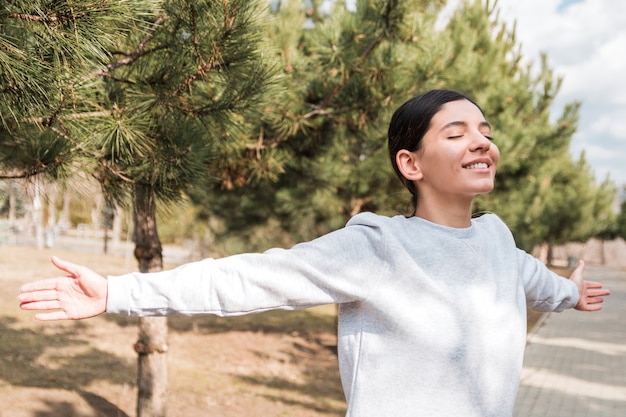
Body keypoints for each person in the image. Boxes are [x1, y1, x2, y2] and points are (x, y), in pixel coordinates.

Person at [18, 89, 610, 417]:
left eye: (484, 130)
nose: (481, 141)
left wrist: (571, 293)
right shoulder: (378, 247)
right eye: (455, 133)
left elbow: (533, 278)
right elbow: (253, 278)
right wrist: (119, 292)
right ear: (411, 163)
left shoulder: (497, 238)